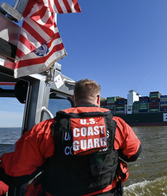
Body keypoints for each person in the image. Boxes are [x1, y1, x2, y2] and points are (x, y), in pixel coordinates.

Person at [0, 79, 142, 196]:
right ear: (98, 99)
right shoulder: (118, 125)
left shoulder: (45, 129)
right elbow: (133, 154)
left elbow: (13, 171)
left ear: (73, 98)